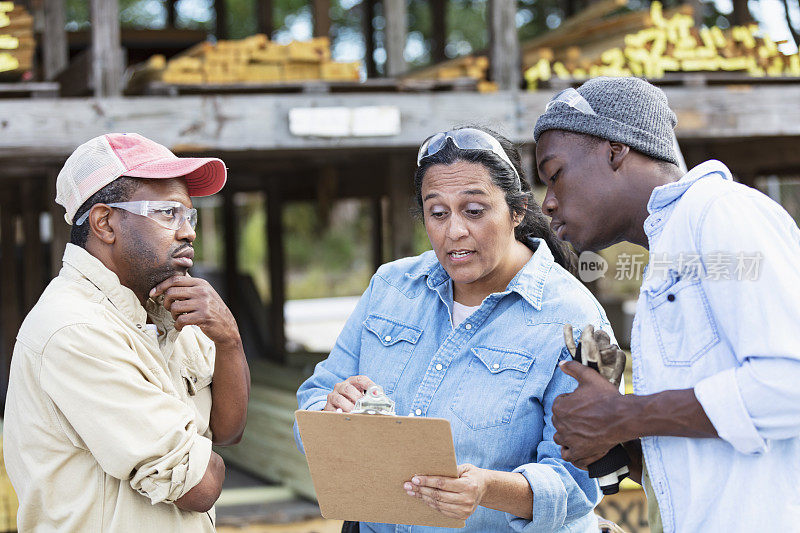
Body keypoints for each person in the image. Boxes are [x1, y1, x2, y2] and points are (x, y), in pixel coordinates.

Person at [295, 126, 619, 532]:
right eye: (438, 212)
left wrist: (487, 488)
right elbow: (311, 400)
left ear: (516, 211)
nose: (454, 232)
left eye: (474, 211)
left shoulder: (576, 319)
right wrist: (327, 411)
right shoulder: (391, 288)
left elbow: (581, 482)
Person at [534, 77, 800, 532]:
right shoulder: (669, 251)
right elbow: (704, 462)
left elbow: (788, 385)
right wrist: (615, 445)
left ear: (615, 149)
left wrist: (624, 415)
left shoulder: (720, 211)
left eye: (555, 174)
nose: (549, 202)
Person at [3, 133, 251, 532]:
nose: (187, 231)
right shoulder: (75, 329)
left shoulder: (168, 309)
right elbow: (201, 486)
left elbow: (227, 430)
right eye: (167, 213)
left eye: (190, 216)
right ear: (104, 222)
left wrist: (229, 340)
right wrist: (201, 458)